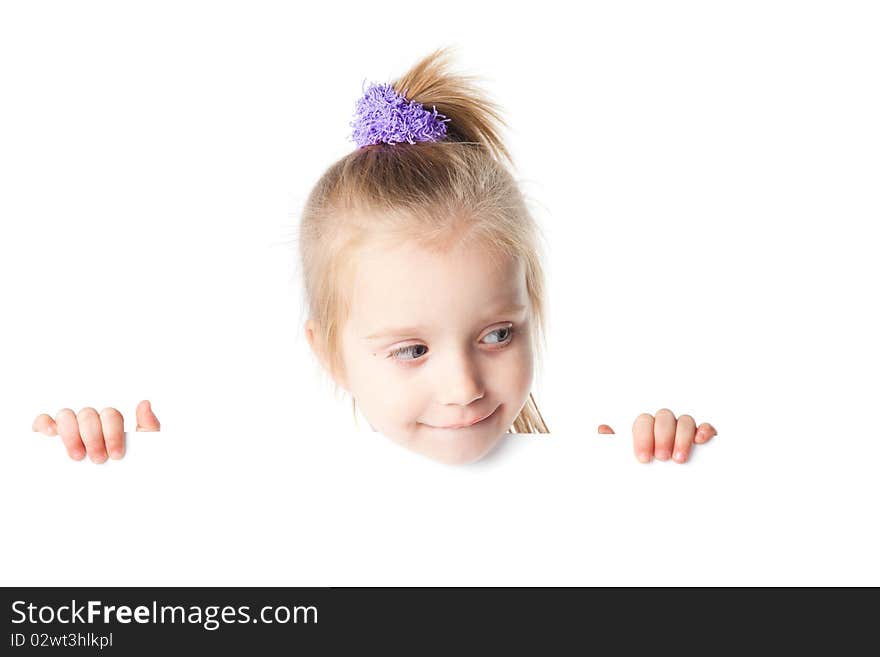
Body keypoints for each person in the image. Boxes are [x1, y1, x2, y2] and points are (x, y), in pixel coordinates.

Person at [31, 47, 717, 466]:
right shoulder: (280, 490)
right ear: (331, 352)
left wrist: (657, 478)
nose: (464, 386)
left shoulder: (581, 469)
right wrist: (107, 468)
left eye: (498, 333)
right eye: (411, 349)